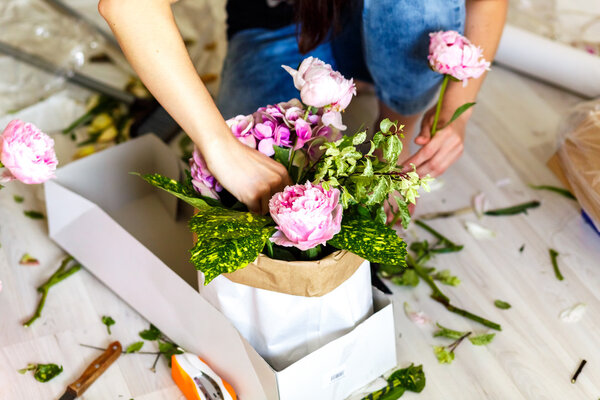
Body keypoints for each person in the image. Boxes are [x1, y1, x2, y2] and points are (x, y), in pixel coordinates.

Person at [98, 0, 507, 215]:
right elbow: (129, 5)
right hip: (282, 26)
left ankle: (391, 140)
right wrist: (220, 146)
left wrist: (458, 112)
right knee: (246, 172)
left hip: (393, 24)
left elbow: (486, 2)